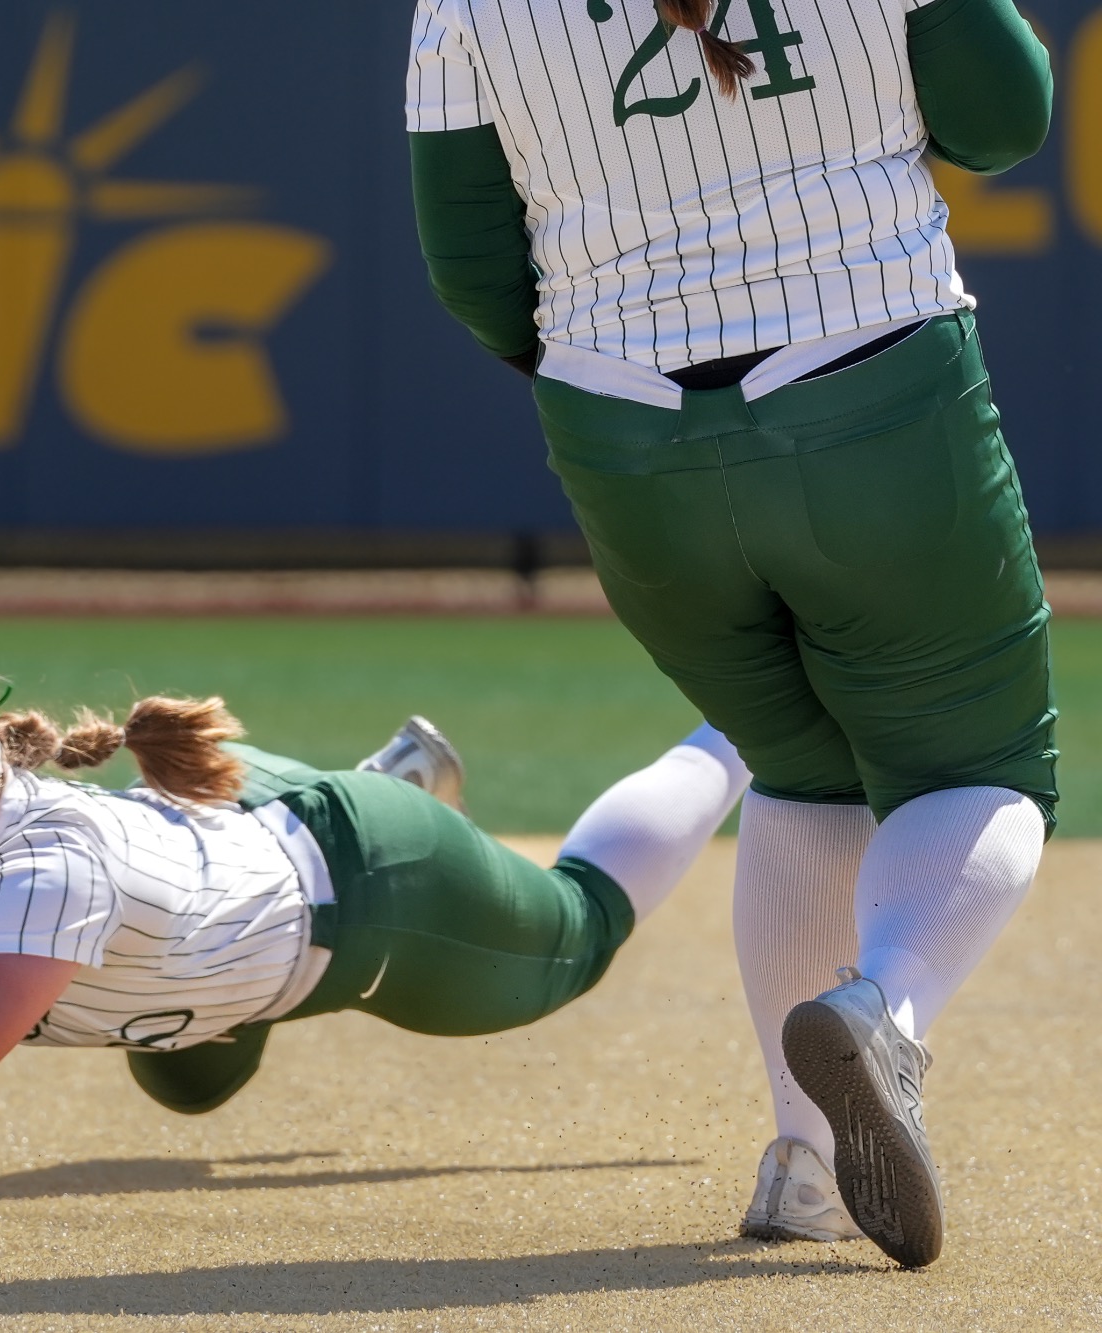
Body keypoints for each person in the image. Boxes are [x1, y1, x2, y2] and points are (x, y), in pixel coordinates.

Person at [403, 0, 1055, 1268]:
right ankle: (884, 1009)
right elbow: (1002, 124)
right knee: (976, 767)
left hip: (624, 433)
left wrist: (613, 369)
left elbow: (468, 262)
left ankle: (806, 1162)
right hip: (872, 388)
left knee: (799, 765)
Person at [0, 657, 749, 1171]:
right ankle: (372, 787)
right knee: (188, 1085)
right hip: (207, 851)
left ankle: (745, 724)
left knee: (573, 940)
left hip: (362, 888)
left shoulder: (46, 856)